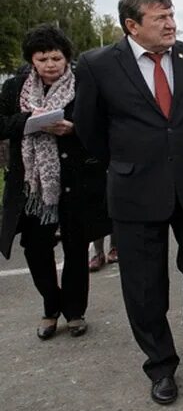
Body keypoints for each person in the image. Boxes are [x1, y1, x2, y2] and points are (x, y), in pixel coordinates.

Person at [74, 0, 183, 405]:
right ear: (132, 26)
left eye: (172, 14)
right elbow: (89, 129)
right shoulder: (98, 64)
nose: (171, 23)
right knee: (144, 288)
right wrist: (129, 161)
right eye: (160, 18)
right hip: (135, 190)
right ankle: (160, 364)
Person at [0, 25, 110, 340]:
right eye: (43, 58)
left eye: (56, 58)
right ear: (32, 61)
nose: (51, 65)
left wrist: (73, 129)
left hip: (75, 183)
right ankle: (51, 307)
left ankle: (75, 311)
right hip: (32, 188)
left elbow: (100, 124)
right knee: (36, 249)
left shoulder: (84, 85)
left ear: (66, 58)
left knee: (77, 247)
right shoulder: (16, 89)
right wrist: (28, 122)